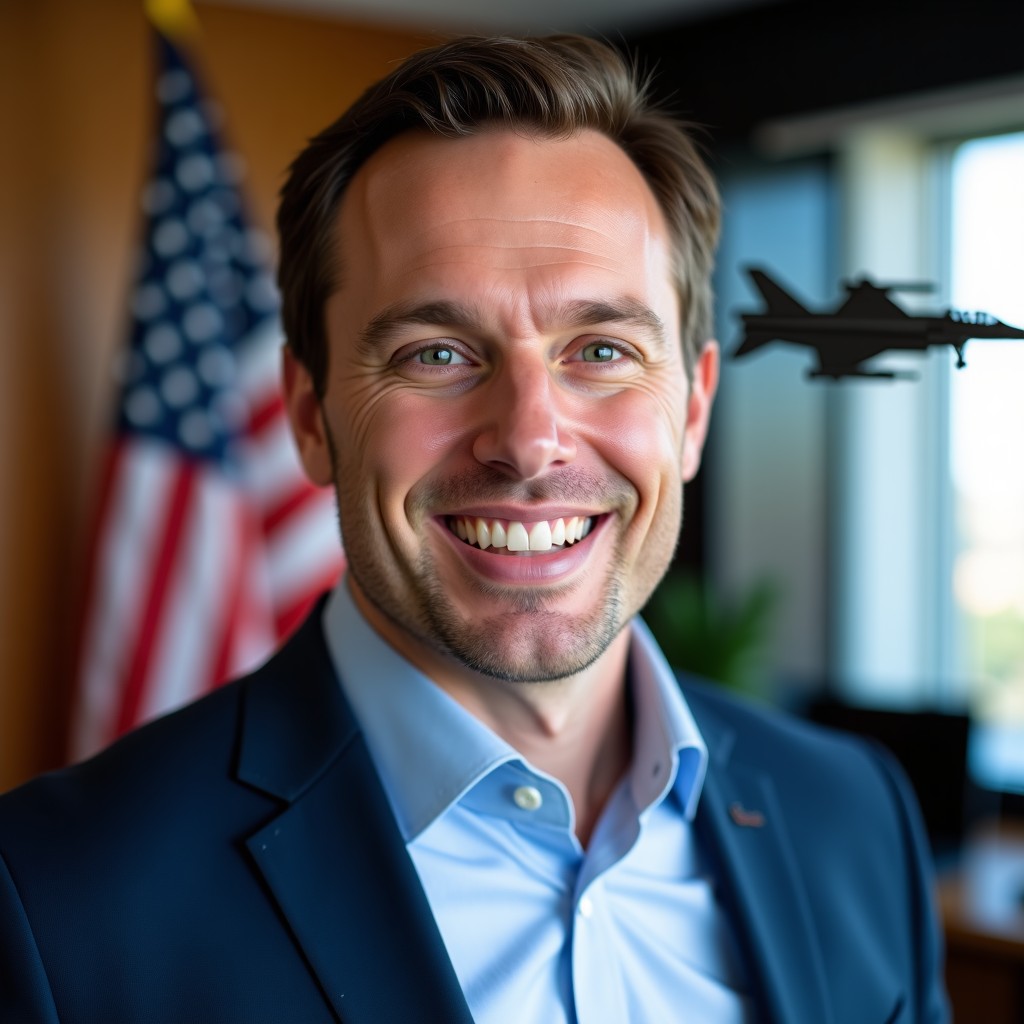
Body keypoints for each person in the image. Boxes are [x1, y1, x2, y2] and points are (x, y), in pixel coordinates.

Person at [0, 34, 948, 1024]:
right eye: (438, 353)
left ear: (694, 410)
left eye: (601, 350)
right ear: (312, 417)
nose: (530, 440)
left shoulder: (856, 816)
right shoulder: (55, 900)